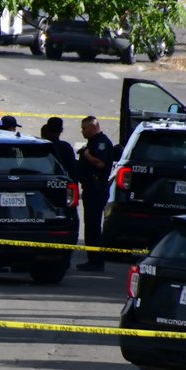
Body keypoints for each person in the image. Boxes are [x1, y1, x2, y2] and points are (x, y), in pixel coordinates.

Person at [75, 115, 115, 271]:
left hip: (96, 189)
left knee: (93, 227)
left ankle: (96, 261)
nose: (82, 131)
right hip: (91, 189)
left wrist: (86, 154)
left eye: (84, 128)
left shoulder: (101, 143)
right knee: (91, 226)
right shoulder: (94, 142)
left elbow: (99, 163)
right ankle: (92, 259)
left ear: (93, 127)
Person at [40, 116, 78, 180]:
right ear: (61, 130)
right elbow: (72, 170)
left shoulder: (39, 147)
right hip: (60, 182)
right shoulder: (66, 148)